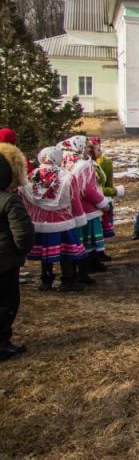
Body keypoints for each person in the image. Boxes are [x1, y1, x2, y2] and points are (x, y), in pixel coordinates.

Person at [22, 146, 85, 292]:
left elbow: (24, 196)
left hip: (41, 222)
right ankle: (69, 281)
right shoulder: (67, 176)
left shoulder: (31, 176)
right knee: (67, 252)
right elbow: (74, 199)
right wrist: (79, 217)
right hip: (63, 221)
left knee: (46, 251)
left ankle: (46, 280)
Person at [0, 141, 33, 360]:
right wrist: (22, 251)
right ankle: (2, 343)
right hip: (5, 262)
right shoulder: (10, 201)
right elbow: (23, 234)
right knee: (6, 302)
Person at [60, 136, 111, 277]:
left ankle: (83, 267)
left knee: (81, 240)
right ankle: (86, 268)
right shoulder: (84, 165)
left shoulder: (66, 163)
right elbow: (88, 189)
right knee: (88, 241)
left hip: (73, 209)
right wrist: (103, 203)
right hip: (88, 209)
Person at [87, 137, 118, 249]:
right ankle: (96, 252)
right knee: (95, 230)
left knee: (102, 228)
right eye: (98, 150)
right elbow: (94, 188)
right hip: (97, 202)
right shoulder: (89, 166)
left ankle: (100, 250)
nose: (101, 152)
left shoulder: (105, 162)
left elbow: (108, 181)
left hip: (104, 199)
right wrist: (114, 191)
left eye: (100, 149)